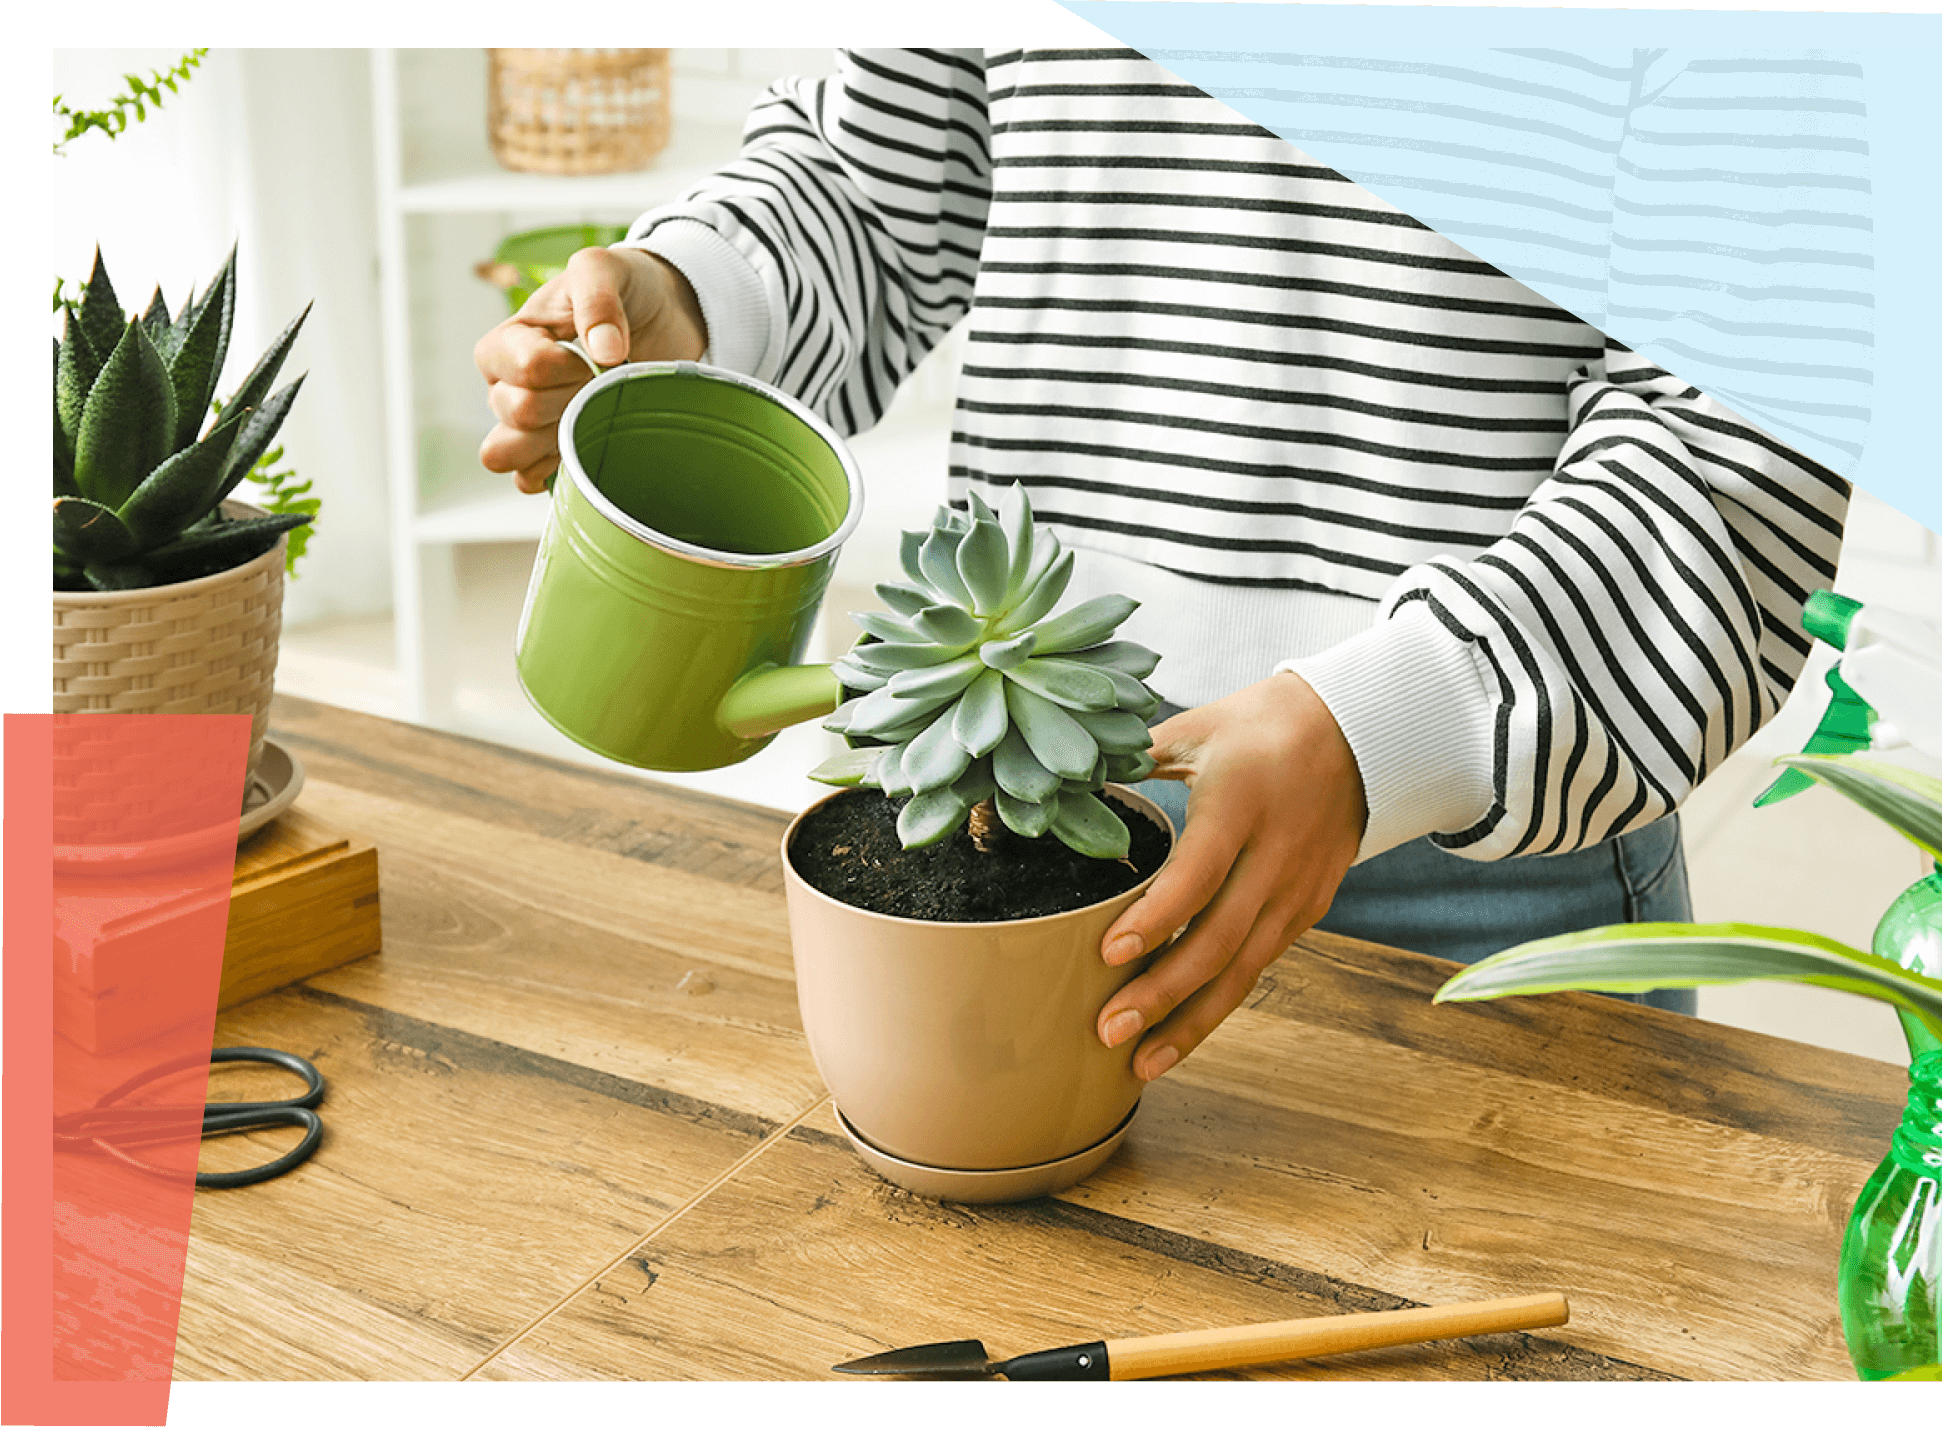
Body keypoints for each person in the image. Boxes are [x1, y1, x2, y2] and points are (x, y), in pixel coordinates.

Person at [476, 49, 1853, 1086]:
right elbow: (871, 177)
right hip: (1002, 799)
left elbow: (1739, 428)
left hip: (1473, 858)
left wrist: (1385, 732)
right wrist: (706, 293)